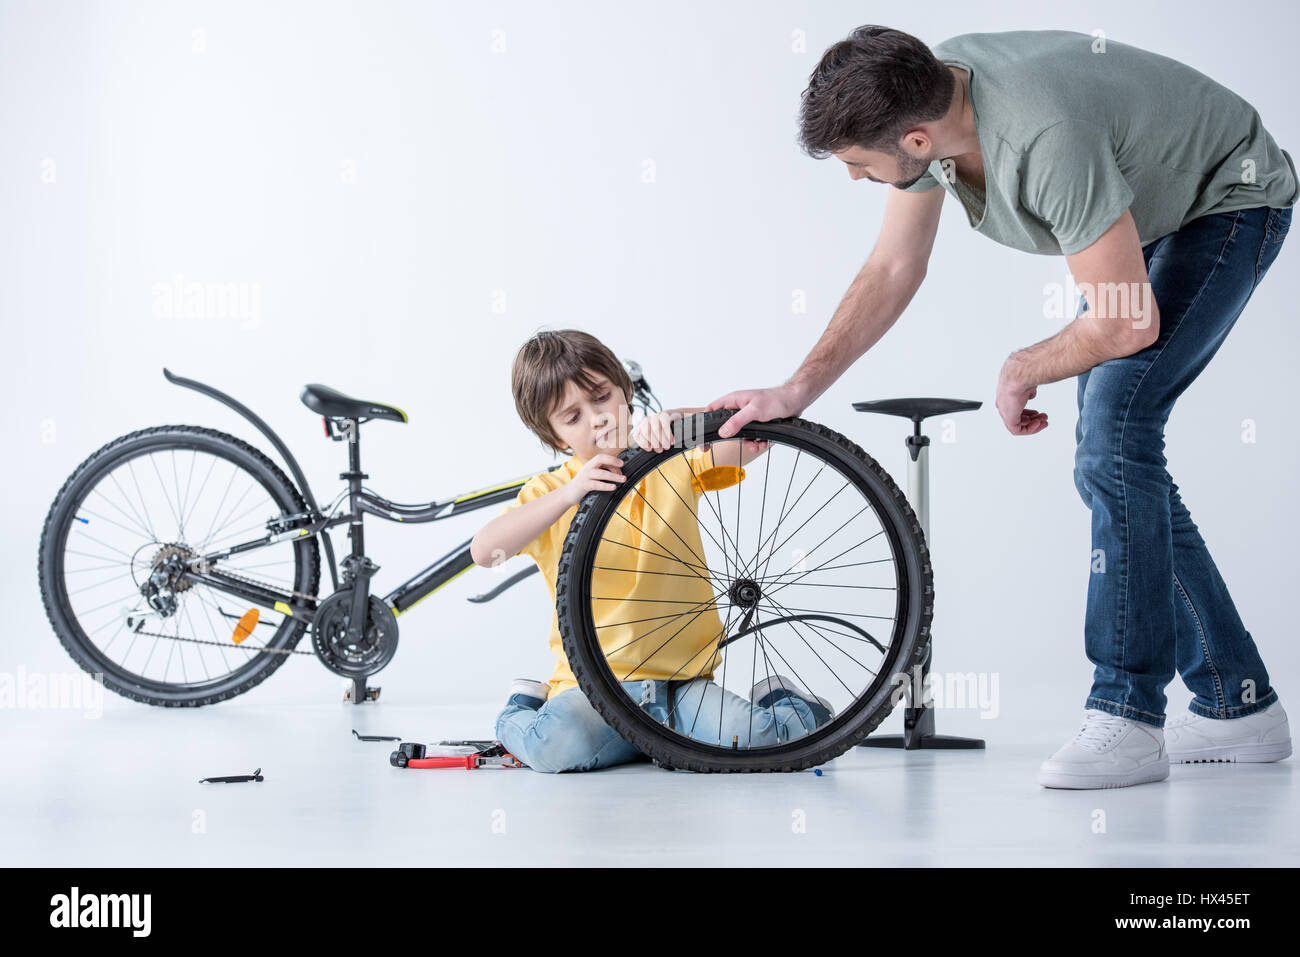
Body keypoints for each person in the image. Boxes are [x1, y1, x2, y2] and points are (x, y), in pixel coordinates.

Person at [706, 26, 1294, 788]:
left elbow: (1126, 320)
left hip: (1226, 200)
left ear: (916, 140)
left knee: (1115, 437)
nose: (855, 179)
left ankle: (1128, 713)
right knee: (1115, 452)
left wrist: (1026, 365)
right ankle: (1235, 701)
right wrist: (795, 389)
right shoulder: (927, 94)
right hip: (1144, 208)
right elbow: (893, 266)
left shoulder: (1044, 139)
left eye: (858, 165)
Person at [470, 328, 833, 772]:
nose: (597, 419)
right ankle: (522, 706)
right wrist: (570, 494)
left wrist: (680, 421)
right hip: (595, 689)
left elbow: (757, 437)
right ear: (555, 437)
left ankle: (779, 698)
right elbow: (485, 552)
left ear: (626, 390)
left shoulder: (671, 459)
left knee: (761, 740)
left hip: (683, 686)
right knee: (551, 749)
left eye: (602, 396)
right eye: (572, 417)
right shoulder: (551, 491)